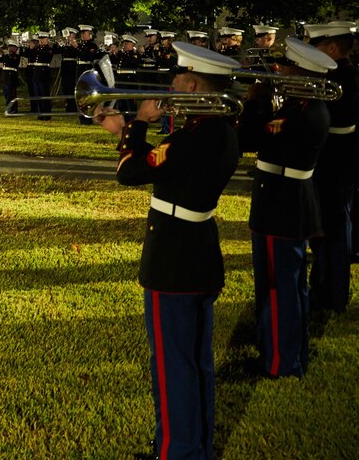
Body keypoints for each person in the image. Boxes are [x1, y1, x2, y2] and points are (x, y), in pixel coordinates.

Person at [94, 42, 241, 460]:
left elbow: (131, 172)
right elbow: (163, 163)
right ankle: (194, 447)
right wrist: (129, 129)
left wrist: (133, 126)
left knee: (173, 365)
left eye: (177, 77)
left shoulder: (196, 136)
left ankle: (177, 453)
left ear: (193, 83)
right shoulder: (216, 130)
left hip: (173, 260)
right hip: (196, 253)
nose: (171, 83)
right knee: (195, 363)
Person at [238, 37, 335, 378]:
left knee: (280, 287)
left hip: (282, 204)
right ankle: (283, 350)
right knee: (286, 285)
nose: (281, 71)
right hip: (284, 200)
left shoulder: (301, 112)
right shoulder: (300, 106)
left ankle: (282, 361)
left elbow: (248, 140)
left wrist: (256, 102)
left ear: (304, 74)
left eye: (288, 67)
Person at [304, 23, 358, 313]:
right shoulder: (342, 75)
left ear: (333, 49)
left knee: (332, 230)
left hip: (335, 162)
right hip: (338, 161)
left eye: (319, 47)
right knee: (329, 228)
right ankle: (326, 287)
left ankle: (331, 292)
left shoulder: (339, 79)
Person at [31, 32, 54, 120]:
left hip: (44, 73)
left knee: (44, 95)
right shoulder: (37, 49)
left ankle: (47, 114)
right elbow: (30, 55)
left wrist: (37, 48)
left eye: (42, 38)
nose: (40, 40)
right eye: (40, 38)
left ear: (47, 39)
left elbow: (46, 57)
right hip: (36, 73)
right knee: (38, 94)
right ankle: (40, 113)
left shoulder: (48, 49)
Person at [0, 39, 22, 114]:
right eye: (9, 47)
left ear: (16, 48)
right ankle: (9, 108)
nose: (10, 48)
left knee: (11, 95)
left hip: (11, 77)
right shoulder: (6, 56)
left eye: (12, 47)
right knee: (6, 93)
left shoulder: (16, 56)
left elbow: (13, 62)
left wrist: (3, 54)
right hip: (5, 76)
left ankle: (13, 109)